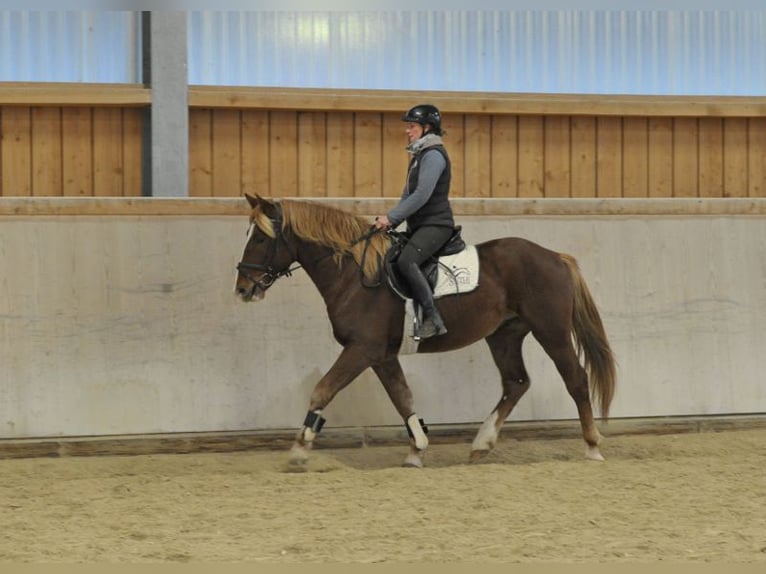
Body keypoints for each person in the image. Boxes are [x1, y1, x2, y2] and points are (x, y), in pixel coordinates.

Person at [374, 104, 455, 339]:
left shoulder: (433, 155)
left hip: (436, 225)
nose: (407, 131)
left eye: (412, 126)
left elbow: (422, 195)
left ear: (427, 127)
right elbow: (408, 195)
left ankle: (432, 318)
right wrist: (390, 222)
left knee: (407, 260)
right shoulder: (420, 155)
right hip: (419, 225)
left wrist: (392, 217)